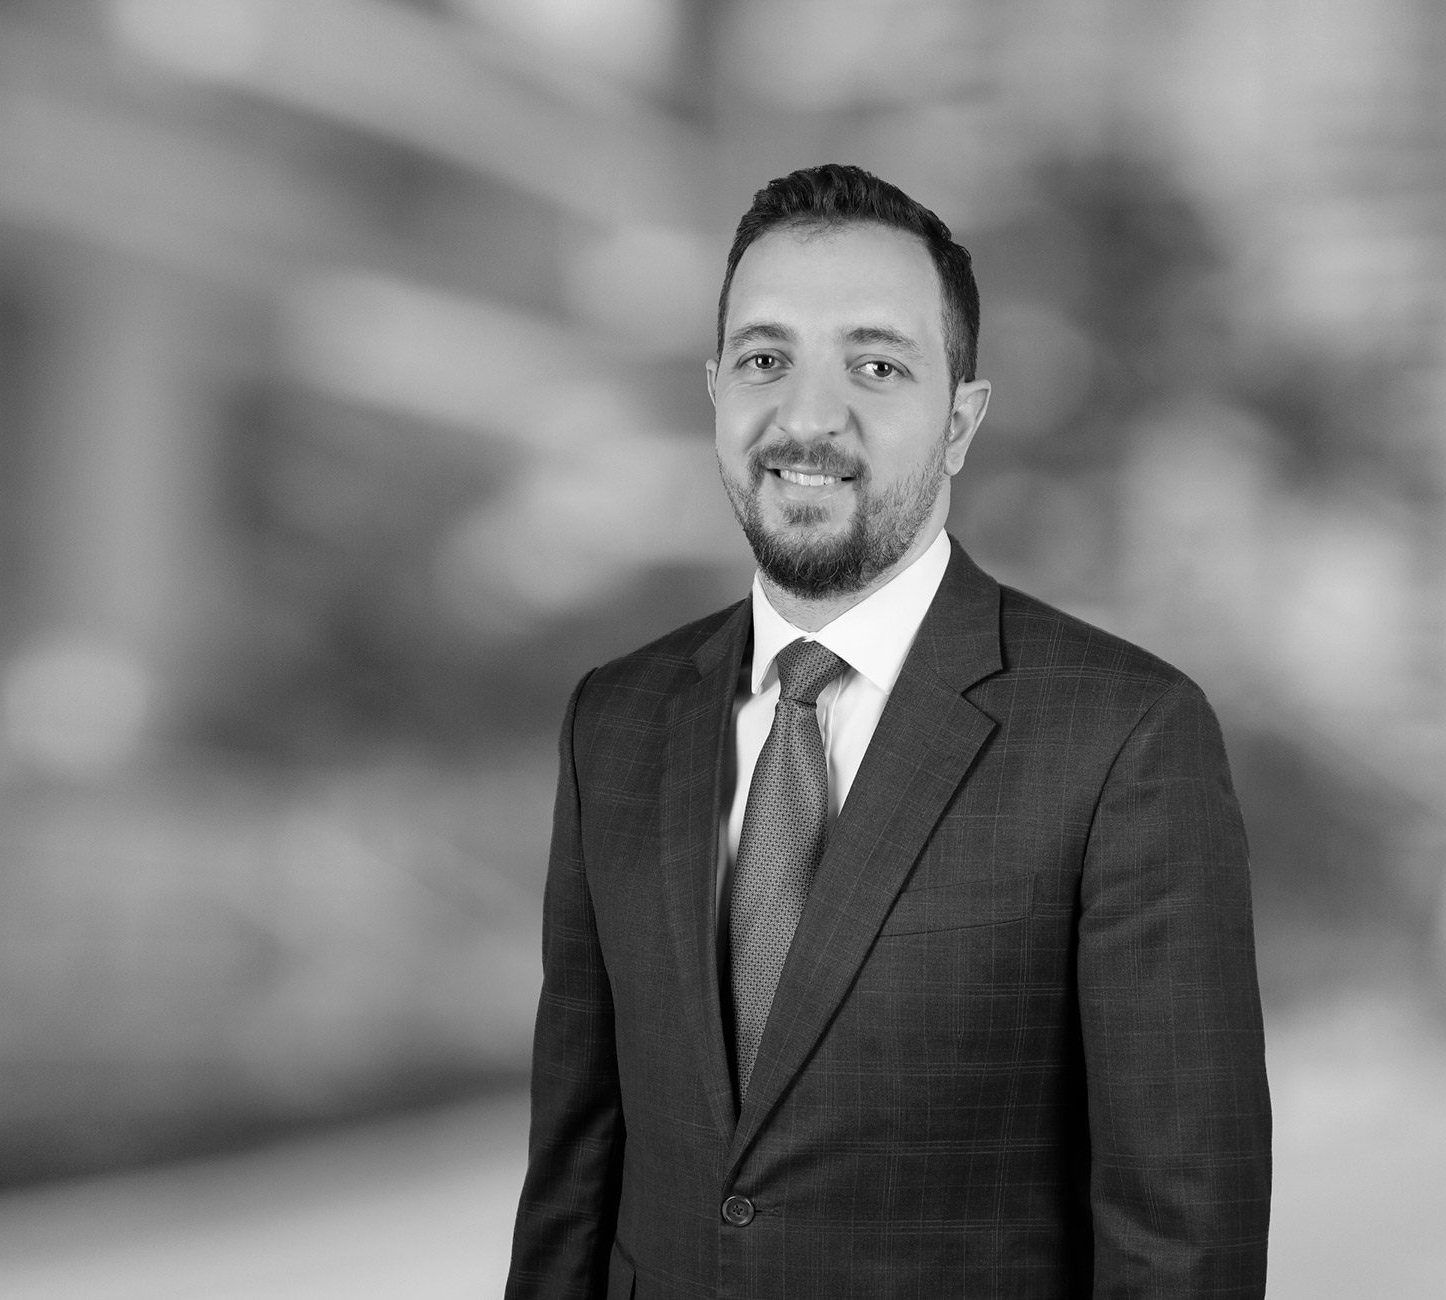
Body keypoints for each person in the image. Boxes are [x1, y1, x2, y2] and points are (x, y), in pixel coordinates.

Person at [505, 164, 1271, 1300]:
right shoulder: (614, 720)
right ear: (714, 392)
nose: (807, 417)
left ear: (959, 421)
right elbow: (571, 1179)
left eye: (875, 366)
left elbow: (1182, 1238)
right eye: (764, 360)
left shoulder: (1125, 738)